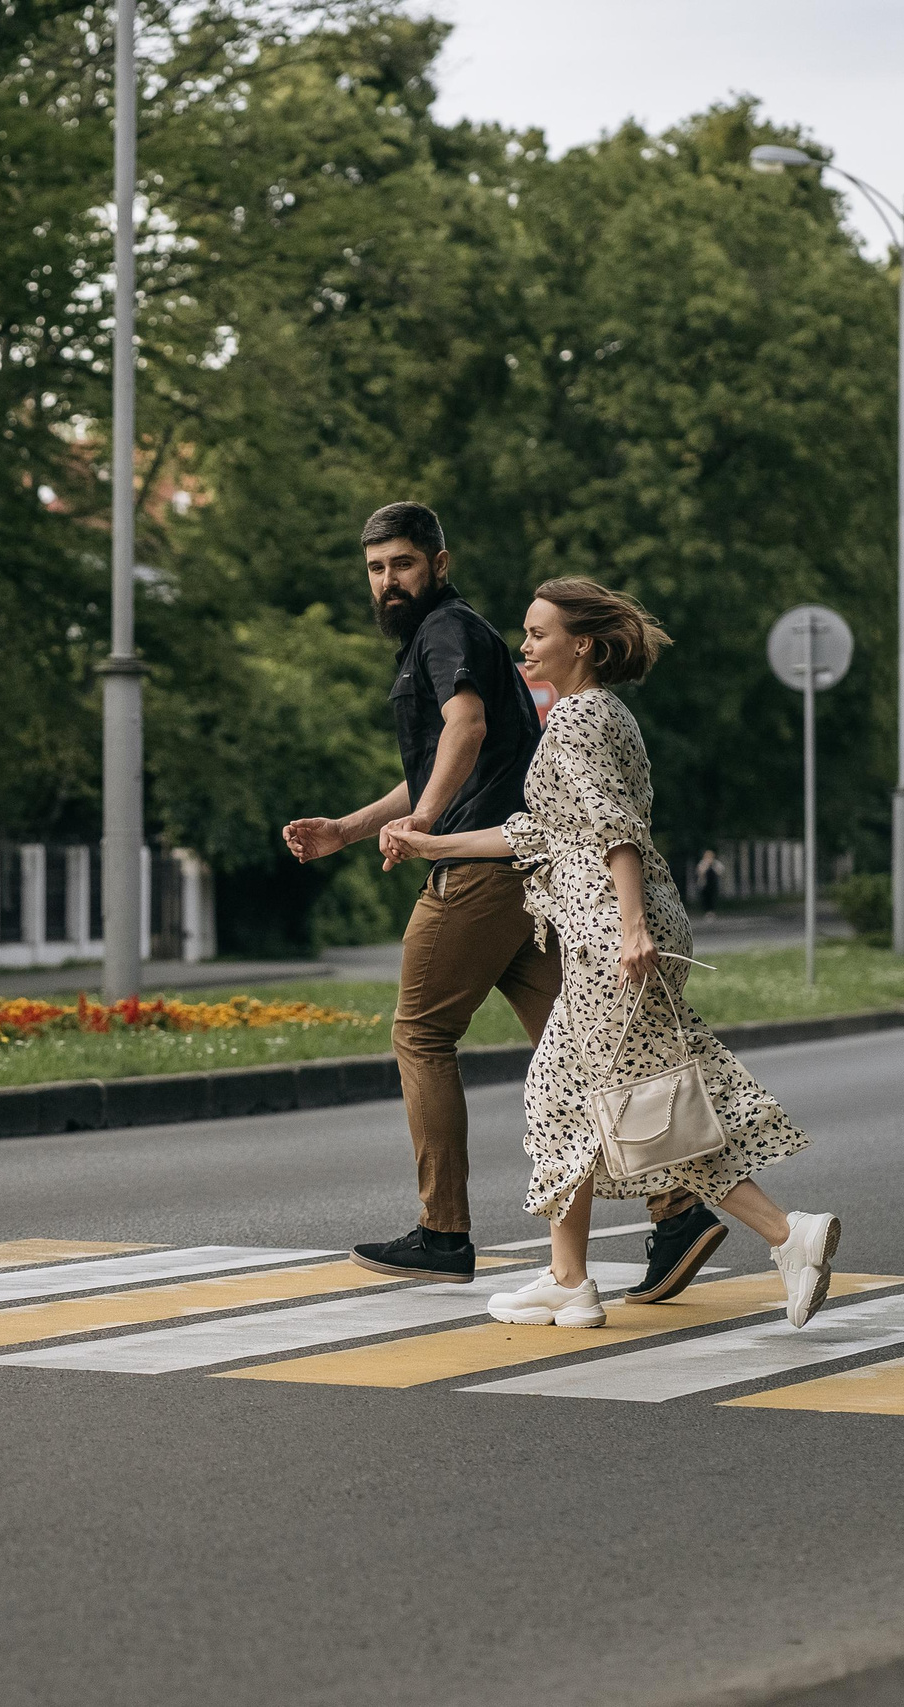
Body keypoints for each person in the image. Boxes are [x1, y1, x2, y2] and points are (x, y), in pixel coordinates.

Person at [284, 503, 718, 1300]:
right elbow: (439, 759)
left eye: (403, 564)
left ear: (438, 564)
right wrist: (350, 827)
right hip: (534, 876)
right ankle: (679, 1205)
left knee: (420, 1032)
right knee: (593, 1052)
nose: (388, 581)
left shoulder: (445, 631)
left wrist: (424, 825)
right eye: (377, 568)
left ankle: (443, 1231)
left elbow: (466, 730)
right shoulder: (458, 637)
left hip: (483, 872)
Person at [381, 579, 841, 1329]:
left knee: (657, 1112)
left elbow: (612, 827)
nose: (525, 645)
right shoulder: (589, 715)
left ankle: (791, 1236)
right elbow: (537, 834)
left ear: (582, 645)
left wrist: (631, 928)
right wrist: (433, 841)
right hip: (607, 934)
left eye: (538, 633)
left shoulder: (580, 718)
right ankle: (568, 1279)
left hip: (608, 941)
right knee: (564, 1101)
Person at [692, 847, 725, 920]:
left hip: (713, 884)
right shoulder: (702, 863)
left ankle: (712, 912)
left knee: (713, 897)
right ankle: (707, 912)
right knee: (705, 898)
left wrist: (713, 865)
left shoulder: (716, 863)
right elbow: (699, 872)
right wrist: (706, 865)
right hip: (705, 884)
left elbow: (721, 871)